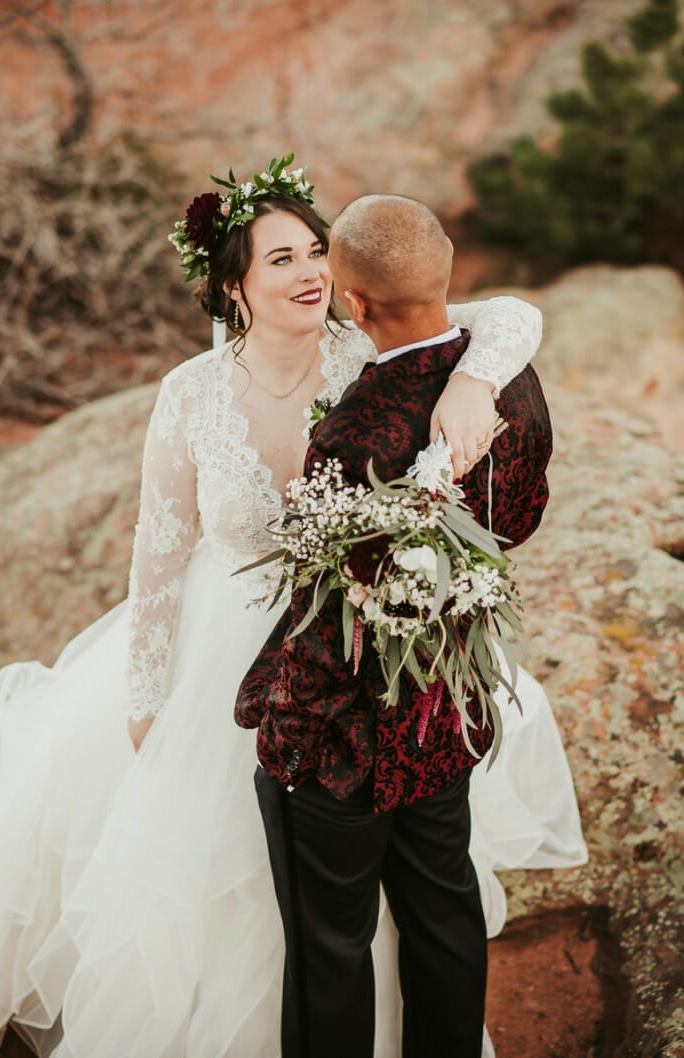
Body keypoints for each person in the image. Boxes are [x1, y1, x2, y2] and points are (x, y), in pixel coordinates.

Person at [0, 160, 585, 1058]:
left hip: (353, 664)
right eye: (280, 260)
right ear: (233, 286)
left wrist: (474, 382)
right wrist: (148, 699)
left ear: (344, 284)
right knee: (236, 890)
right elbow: (160, 550)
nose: (306, 274)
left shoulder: (366, 361)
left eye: (314, 253)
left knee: (359, 895)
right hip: (216, 654)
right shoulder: (189, 392)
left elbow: (503, 314)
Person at [234, 193, 577, 1058]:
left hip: (345, 741)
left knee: (330, 952)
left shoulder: (352, 430)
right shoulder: (508, 383)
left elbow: (333, 609)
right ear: (448, 264)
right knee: (445, 925)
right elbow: (517, 506)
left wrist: (277, 719)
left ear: (352, 304)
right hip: (442, 711)